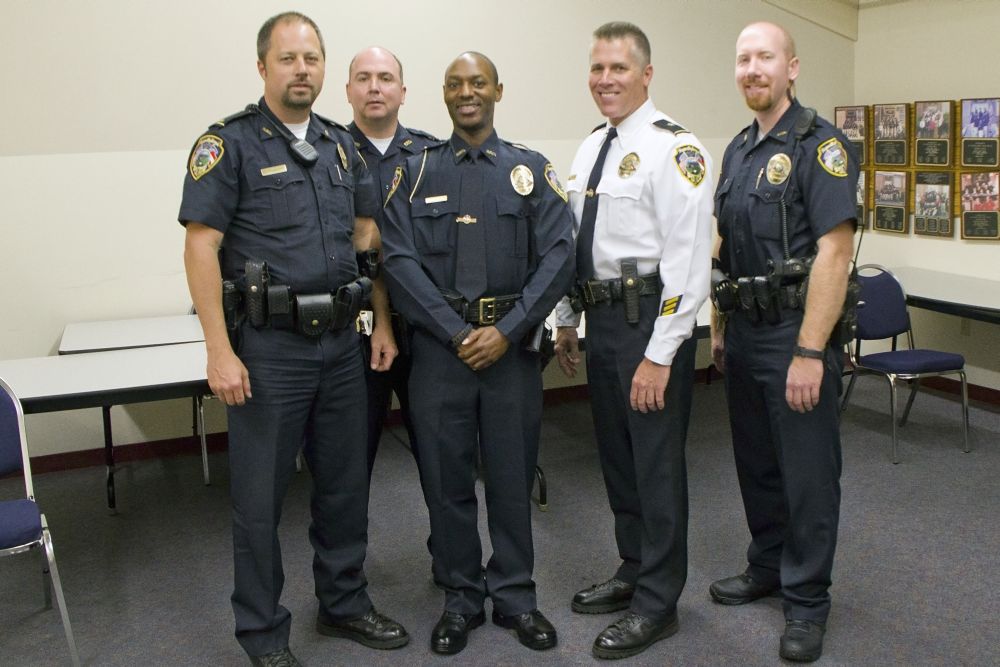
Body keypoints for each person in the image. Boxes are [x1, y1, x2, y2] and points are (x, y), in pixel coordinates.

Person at [179, 12, 408, 666]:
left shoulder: (341, 145)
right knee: (259, 501)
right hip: (269, 349)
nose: (301, 69)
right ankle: (262, 632)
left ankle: (343, 602)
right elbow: (201, 248)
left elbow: (367, 232)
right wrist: (218, 349)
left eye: (311, 58)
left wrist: (375, 311)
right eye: (287, 59)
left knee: (343, 485)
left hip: (341, 345)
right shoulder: (229, 146)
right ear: (263, 68)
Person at [381, 51, 574, 656]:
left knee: (513, 477)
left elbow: (560, 255)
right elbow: (397, 259)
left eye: (478, 83)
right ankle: (461, 597)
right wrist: (455, 332)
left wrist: (510, 329)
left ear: (498, 91)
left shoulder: (530, 170)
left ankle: (516, 596)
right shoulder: (413, 173)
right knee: (446, 481)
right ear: (443, 95)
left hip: (510, 354)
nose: (468, 93)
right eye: (456, 84)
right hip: (441, 356)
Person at [553, 21, 714, 661]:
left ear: (646, 74)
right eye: (597, 68)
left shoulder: (675, 150)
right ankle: (633, 567)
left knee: (655, 464)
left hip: (650, 324)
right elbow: (577, 243)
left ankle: (659, 602)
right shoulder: (592, 147)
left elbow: (690, 263)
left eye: (618, 68)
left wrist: (659, 353)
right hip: (602, 323)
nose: (605, 80)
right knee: (618, 456)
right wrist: (567, 317)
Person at [709, 21, 858, 664]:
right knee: (758, 465)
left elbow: (835, 252)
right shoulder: (740, 150)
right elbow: (723, 244)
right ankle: (767, 564)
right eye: (743, 59)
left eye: (764, 58)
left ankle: (807, 601)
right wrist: (718, 328)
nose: (752, 70)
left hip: (794, 335)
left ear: (791, 68)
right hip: (744, 333)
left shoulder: (820, 146)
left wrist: (807, 351)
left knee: (807, 475)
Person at [344, 46, 437, 478]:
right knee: (348, 461)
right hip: (353, 331)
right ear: (348, 91)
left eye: (384, 78)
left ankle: (450, 548)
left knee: (440, 455)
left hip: (425, 329)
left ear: (403, 91)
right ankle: (344, 549)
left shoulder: (433, 158)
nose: (374, 87)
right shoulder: (330, 156)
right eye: (363, 78)